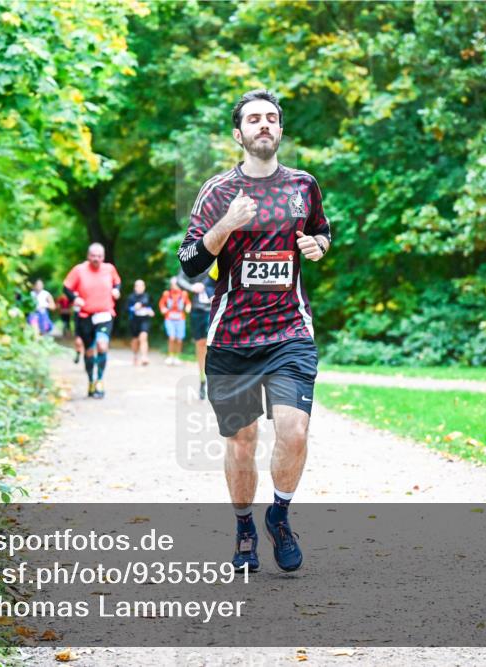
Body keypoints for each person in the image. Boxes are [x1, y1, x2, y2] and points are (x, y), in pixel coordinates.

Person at [178, 89, 330, 573]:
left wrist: (319, 246)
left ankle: (278, 516)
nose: (263, 125)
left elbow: (324, 230)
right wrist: (225, 225)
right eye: (254, 119)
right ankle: (245, 526)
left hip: (290, 332)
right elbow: (191, 264)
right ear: (237, 134)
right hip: (232, 338)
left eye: (271, 118)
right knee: (241, 442)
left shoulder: (304, 185)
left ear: (280, 130)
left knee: (295, 430)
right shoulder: (218, 191)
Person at [63, 243, 122, 399]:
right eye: (93, 256)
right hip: (85, 316)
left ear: (103, 257)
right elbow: (66, 287)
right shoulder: (79, 270)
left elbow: (117, 282)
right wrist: (75, 298)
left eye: (99, 256)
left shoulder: (109, 269)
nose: (96, 259)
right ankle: (90, 381)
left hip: (104, 313)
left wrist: (116, 290)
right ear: (88, 256)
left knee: (102, 345)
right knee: (89, 351)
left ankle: (100, 381)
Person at [178, 267, 216, 399]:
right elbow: (180, 279)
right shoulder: (196, 253)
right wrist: (191, 287)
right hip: (198, 309)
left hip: (216, 307)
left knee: (215, 346)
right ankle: (203, 380)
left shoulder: (221, 254)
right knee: (201, 344)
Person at [159, 277, 191, 365]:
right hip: (169, 318)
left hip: (180, 318)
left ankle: (177, 357)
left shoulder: (184, 294)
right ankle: (170, 356)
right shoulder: (166, 294)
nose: (175, 286)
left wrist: (188, 307)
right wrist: (163, 309)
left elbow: (188, 303)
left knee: (179, 339)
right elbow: (161, 303)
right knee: (171, 337)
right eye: (173, 284)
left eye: (177, 284)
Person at [127, 279, 154, 366]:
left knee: (144, 337)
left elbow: (150, 306)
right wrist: (134, 308)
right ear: (135, 287)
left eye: (142, 286)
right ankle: (135, 355)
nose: (140, 288)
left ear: (144, 287)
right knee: (135, 340)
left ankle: (144, 357)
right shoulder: (131, 297)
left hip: (144, 320)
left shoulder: (147, 296)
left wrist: (150, 311)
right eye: (138, 286)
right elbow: (126, 309)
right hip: (134, 320)